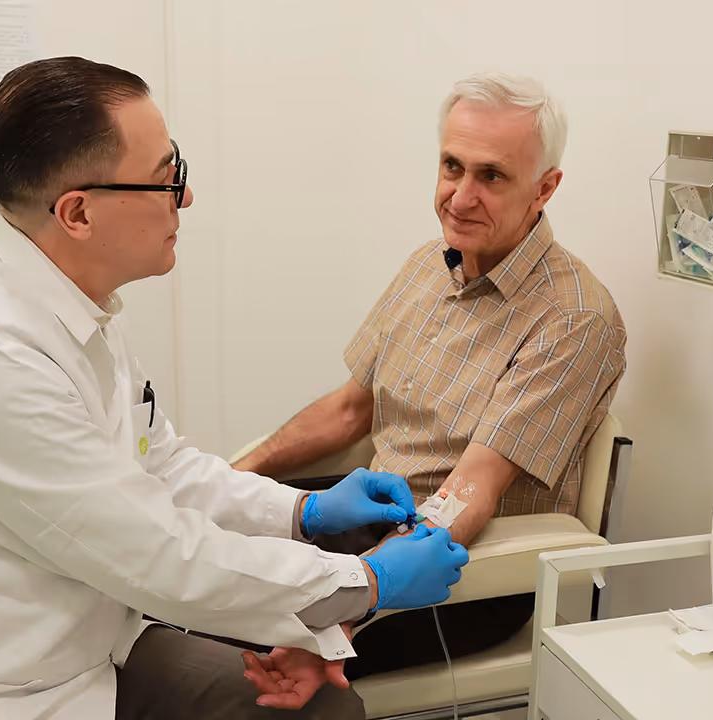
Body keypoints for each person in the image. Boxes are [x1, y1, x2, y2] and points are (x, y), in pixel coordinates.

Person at [0, 56, 469, 720]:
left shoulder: (77, 301)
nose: (188, 196)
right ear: (78, 214)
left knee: (323, 705)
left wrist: (300, 513)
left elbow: (159, 466)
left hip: (81, 641)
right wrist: (367, 583)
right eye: (166, 177)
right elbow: (157, 556)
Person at [234, 71, 627, 683]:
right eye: (452, 167)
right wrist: (228, 483)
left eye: (491, 176)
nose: (460, 197)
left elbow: (472, 488)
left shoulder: (574, 318)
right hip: (365, 521)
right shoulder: (428, 264)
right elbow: (347, 411)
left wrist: (349, 619)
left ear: (544, 188)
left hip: (454, 575)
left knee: (229, 647)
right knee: (182, 570)